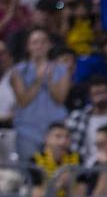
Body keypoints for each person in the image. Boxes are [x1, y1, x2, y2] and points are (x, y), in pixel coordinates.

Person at [11, 28, 70, 159]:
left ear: (49, 45)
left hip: (55, 130)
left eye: (43, 42)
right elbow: (23, 101)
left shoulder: (61, 69)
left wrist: (49, 80)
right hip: (27, 131)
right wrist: (38, 79)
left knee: (55, 173)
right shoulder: (17, 71)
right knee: (30, 175)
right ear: (28, 46)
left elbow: (60, 99)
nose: (39, 46)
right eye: (35, 42)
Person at [66, 76, 107, 165]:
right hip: (82, 168)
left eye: (104, 92)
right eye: (97, 93)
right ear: (90, 96)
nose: (101, 97)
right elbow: (68, 146)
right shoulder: (77, 117)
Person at [29, 122, 82, 197]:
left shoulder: (78, 159)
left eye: (67, 137)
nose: (63, 142)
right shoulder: (35, 160)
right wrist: (59, 185)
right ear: (46, 138)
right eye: (58, 136)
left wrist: (69, 187)